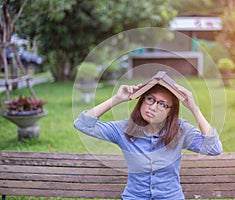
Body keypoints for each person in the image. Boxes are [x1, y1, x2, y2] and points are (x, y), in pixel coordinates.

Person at [73, 79, 222, 200]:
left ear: (171, 112)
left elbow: (214, 148)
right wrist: (116, 99)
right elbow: (82, 124)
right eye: (150, 99)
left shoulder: (180, 131)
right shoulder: (124, 129)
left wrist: (194, 108)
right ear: (142, 101)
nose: (153, 107)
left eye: (162, 104)